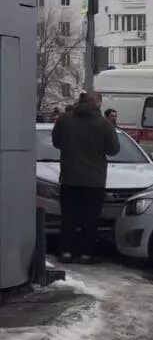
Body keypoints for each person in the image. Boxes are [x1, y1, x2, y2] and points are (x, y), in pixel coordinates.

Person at [51, 91, 120, 263]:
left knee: (68, 217)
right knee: (90, 219)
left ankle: (66, 252)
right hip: (94, 181)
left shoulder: (64, 120)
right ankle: (85, 254)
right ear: (97, 104)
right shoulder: (104, 124)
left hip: (69, 178)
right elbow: (113, 150)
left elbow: (56, 142)